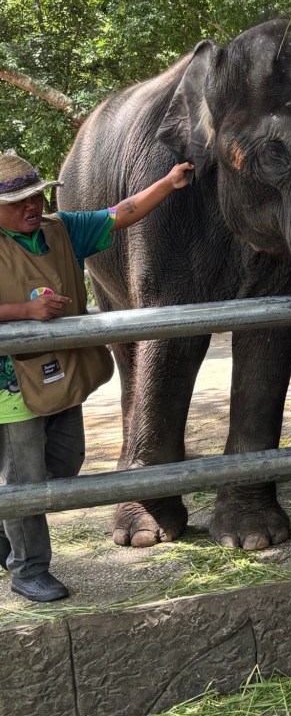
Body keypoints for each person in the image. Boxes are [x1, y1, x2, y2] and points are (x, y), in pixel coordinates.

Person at [0, 150, 194, 602]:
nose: (33, 207)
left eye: (38, 197)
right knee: (25, 480)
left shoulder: (61, 229)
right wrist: (23, 313)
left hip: (62, 377)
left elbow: (119, 214)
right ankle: (28, 568)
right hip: (10, 388)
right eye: (20, 202)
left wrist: (168, 182)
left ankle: (7, 516)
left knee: (65, 462)